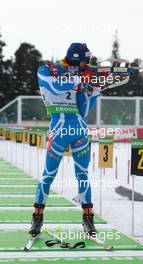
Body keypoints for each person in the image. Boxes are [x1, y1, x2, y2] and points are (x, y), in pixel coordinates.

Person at [29, 43, 100, 237]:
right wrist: (79, 78)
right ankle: (37, 217)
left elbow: (83, 111)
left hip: (79, 130)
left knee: (83, 174)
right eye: (84, 61)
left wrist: (93, 89)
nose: (86, 65)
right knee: (48, 175)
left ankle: (88, 220)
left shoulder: (84, 75)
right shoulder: (47, 70)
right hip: (59, 130)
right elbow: (53, 86)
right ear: (75, 59)